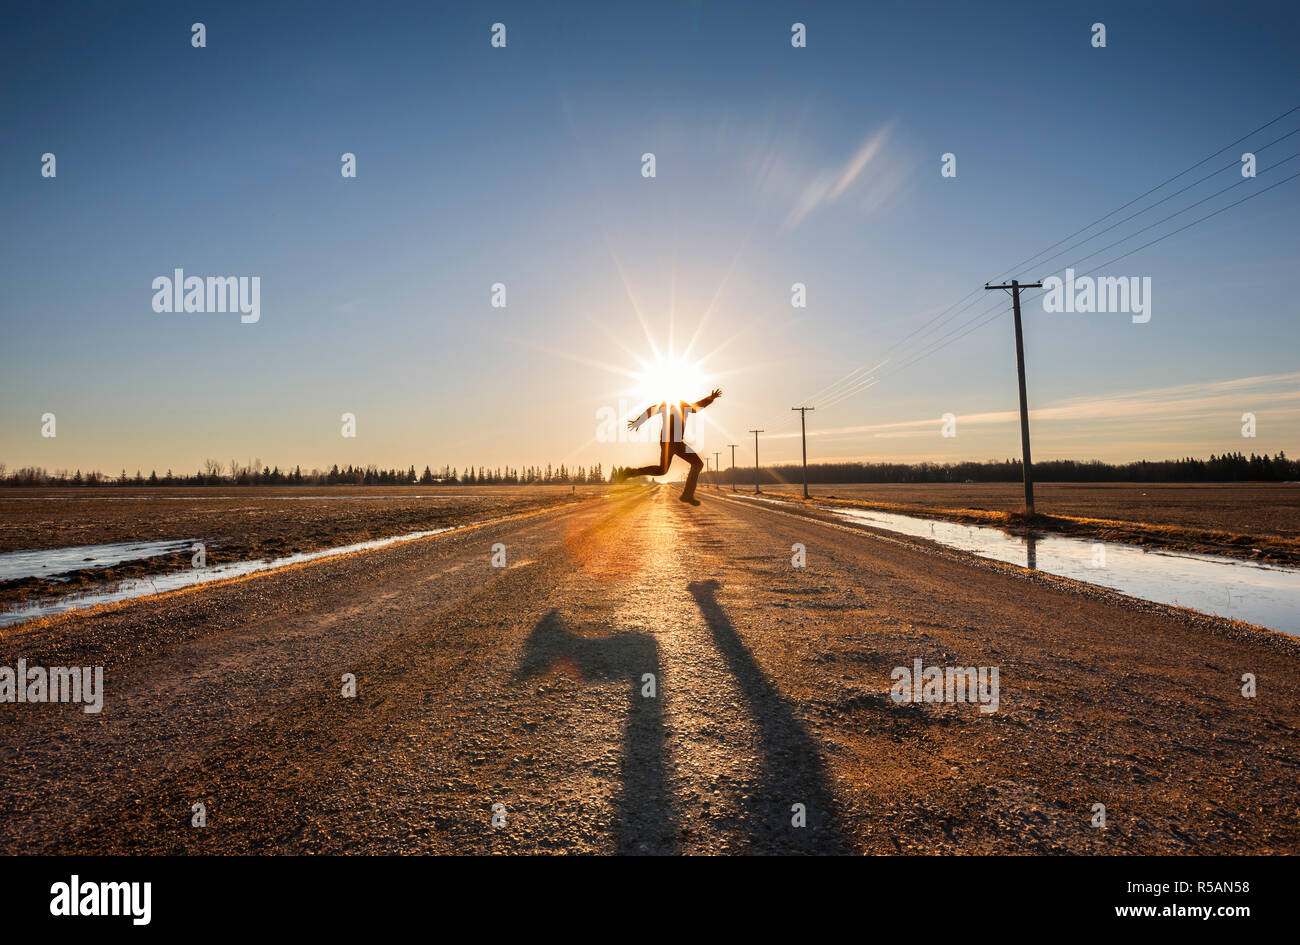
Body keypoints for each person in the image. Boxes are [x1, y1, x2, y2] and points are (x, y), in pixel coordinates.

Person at [625, 388, 722, 505]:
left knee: (663, 470)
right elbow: (651, 411)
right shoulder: (672, 405)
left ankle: (631, 473)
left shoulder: (676, 405)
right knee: (697, 464)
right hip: (672, 442)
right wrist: (638, 421)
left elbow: (696, 407)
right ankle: (687, 495)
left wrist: (710, 398)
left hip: (673, 442)